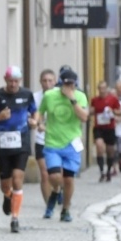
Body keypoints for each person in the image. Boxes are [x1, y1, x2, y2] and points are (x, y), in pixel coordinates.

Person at [0, 65, 38, 233]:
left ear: (20, 81)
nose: (13, 84)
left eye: (16, 81)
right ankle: (7, 196)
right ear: (5, 79)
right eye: (10, 81)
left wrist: (34, 121)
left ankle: (15, 218)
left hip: (22, 144)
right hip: (3, 145)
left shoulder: (27, 95)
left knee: (17, 179)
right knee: (5, 185)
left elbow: (34, 112)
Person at [36, 66, 89, 222]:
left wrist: (72, 99)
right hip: (53, 142)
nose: (68, 87)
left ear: (75, 84)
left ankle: (65, 209)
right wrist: (39, 122)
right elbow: (40, 112)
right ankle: (56, 190)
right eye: (66, 84)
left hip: (71, 144)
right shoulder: (50, 96)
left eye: (71, 84)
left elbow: (84, 117)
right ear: (60, 83)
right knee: (54, 176)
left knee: (69, 179)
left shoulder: (80, 96)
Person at [33, 69, 59, 205]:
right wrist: (37, 123)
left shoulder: (61, 96)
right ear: (40, 82)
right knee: (44, 173)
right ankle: (49, 205)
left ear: (55, 81)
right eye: (44, 81)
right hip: (41, 140)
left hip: (58, 140)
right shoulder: (35, 97)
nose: (47, 83)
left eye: (50, 80)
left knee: (57, 174)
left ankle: (57, 190)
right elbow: (31, 115)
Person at [89, 80, 121, 182]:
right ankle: (101, 171)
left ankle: (108, 171)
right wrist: (90, 111)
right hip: (98, 128)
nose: (102, 90)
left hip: (110, 128)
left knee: (110, 151)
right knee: (99, 146)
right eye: (100, 88)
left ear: (107, 89)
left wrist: (113, 111)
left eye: (103, 88)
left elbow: (120, 111)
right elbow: (91, 111)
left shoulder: (113, 99)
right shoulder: (94, 100)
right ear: (98, 89)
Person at [115, 80, 121, 187]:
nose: (119, 90)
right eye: (117, 88)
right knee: (120, 152)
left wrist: (119, 118)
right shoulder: (113, 99)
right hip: (117, 131)